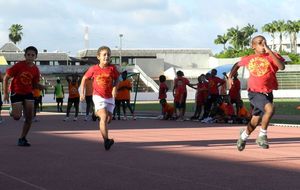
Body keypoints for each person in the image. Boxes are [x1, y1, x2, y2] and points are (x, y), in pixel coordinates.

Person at [228, 35, 285, 151]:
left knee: (255, 120)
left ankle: (243, 137)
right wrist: (230, 77)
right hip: (254, 92)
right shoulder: (249, 58)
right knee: (270, 109)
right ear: (253, 46)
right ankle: (262, 136)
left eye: (264, 42)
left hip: (267, 92)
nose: (263, 45)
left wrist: (269, 50)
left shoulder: (272, 56)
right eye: (260, 43)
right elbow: (237, 64)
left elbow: (281, 66)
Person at [3, 46, 45, 146]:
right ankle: (12, 110)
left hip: (28, 93)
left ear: (36, 57)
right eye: (28, 55)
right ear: (25, 55)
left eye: (32, 55)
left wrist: (40, 86)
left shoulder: (35, 70)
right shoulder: (19, 65)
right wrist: (5, 93)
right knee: (17, 117)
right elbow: (6, 78)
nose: (30, 57)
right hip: (16, 92)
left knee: (29, 118)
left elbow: (34, 84)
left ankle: (22, 138)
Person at [80, 46, 119, 151]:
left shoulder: (112, 69)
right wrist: (82, 93)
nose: (107, 57)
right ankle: (106, 140)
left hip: (110, 98)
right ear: (98, 57)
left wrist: (115, 88)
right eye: (104, 54)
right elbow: (84, 78)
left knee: (108, 119)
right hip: (98, 96)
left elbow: (117, 79)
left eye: (109, 55)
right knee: (103, 116)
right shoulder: (93, 69)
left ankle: (95, 113)